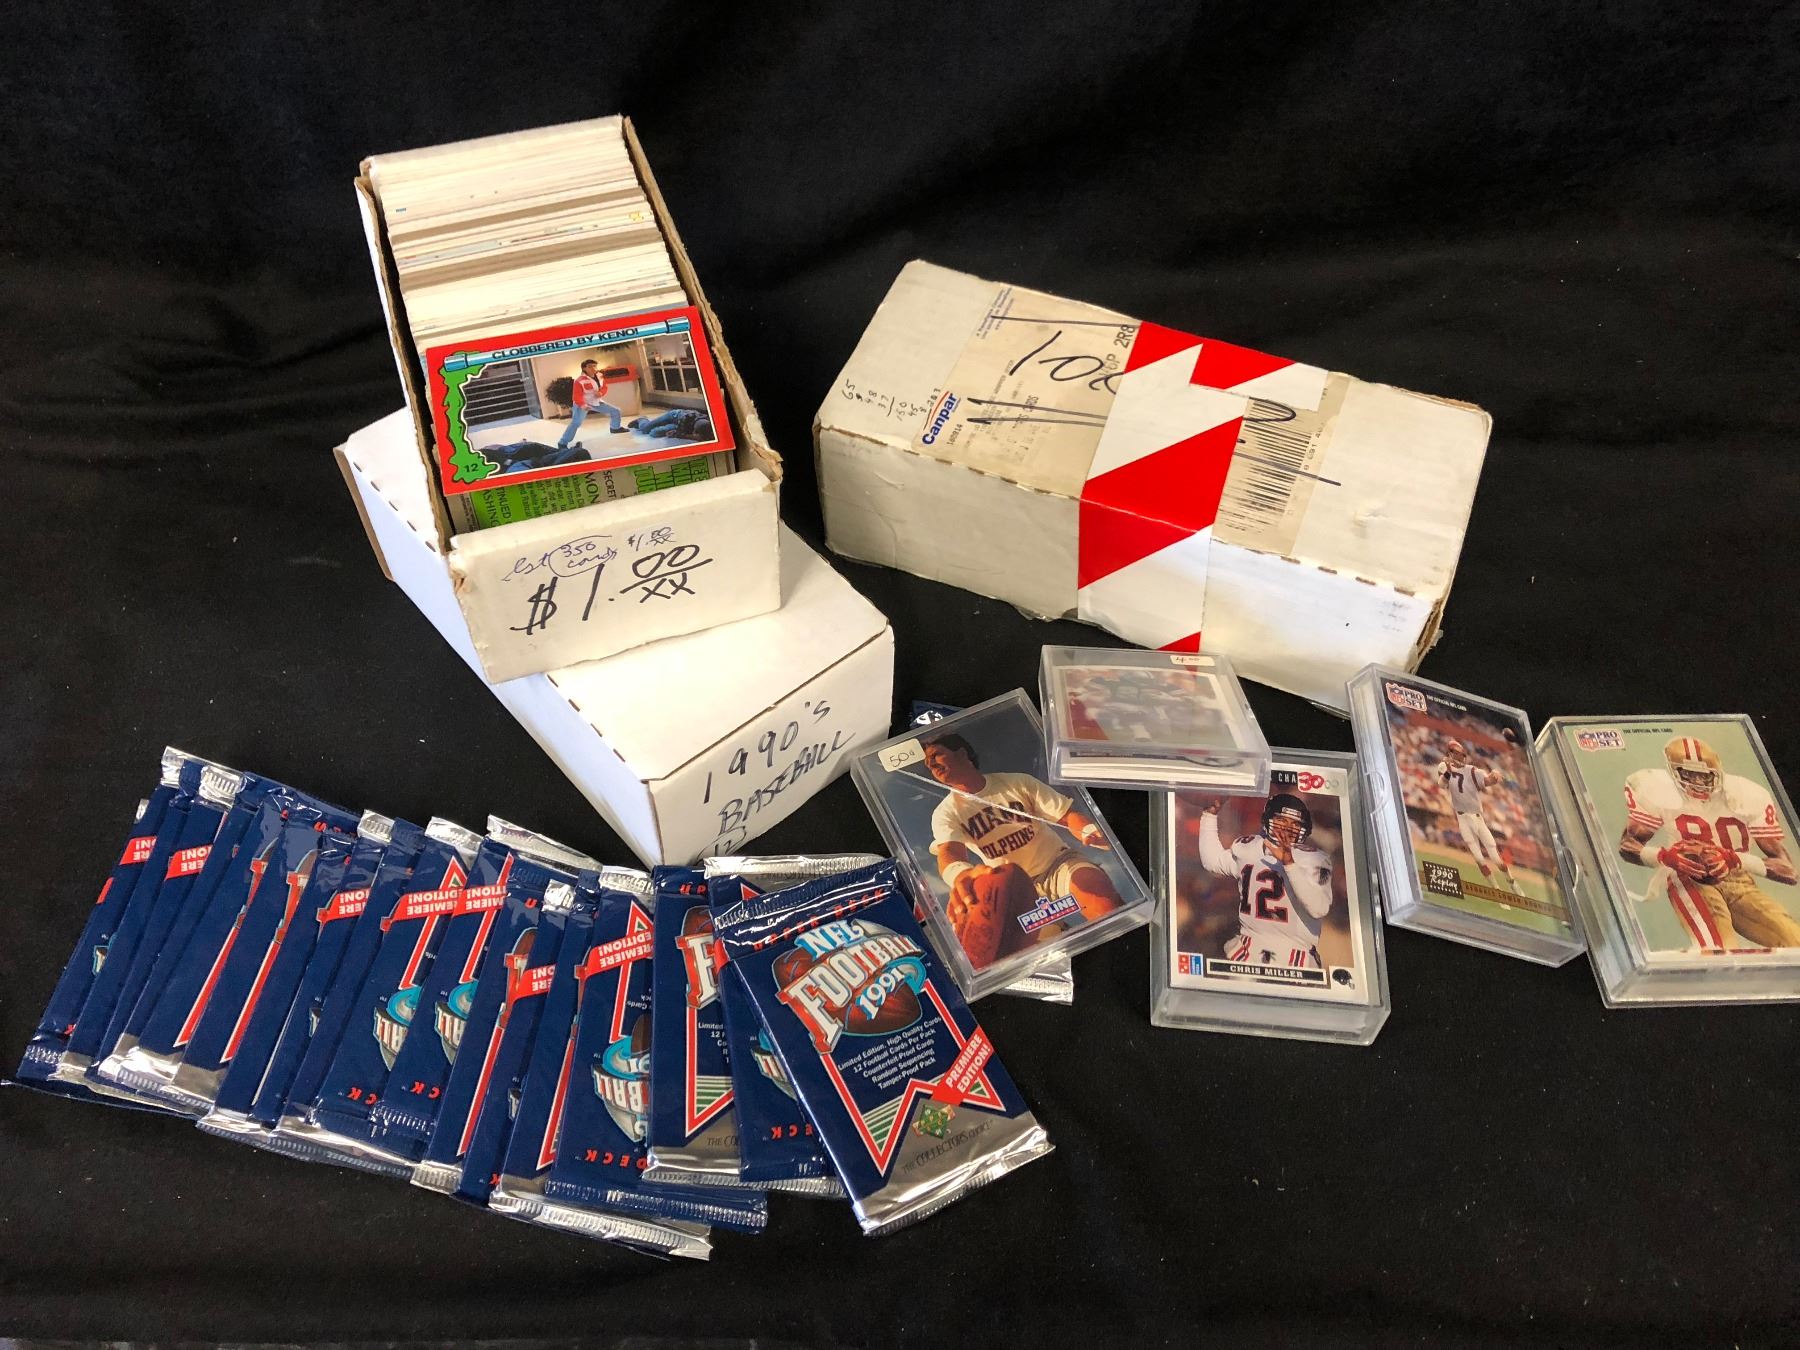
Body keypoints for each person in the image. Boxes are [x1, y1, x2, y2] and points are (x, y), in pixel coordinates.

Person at [923, 732, 1122, 951]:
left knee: (1100, 898)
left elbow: (1066, 816)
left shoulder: (1016, 782)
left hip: (1057, 863)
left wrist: (1088, 829)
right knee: (1037, 952)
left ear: (962, 754)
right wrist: (960, 875)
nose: (931, 764)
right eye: (927, 763)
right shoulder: (945, 812)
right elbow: (950, 851)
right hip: (1012, 888)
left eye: (936, 755)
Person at [1617, 736, 1800, 950]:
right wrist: (1664, 857)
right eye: (1688, 774)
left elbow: (1789, 871)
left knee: (1795, 943)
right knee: (1719, 950)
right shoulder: (1656, 789)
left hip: (1739, 880)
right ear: (1672, 772)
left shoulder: (1746, 794)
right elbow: (1628, 845)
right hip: (1690, 873)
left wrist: (1733, 859)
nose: (1698, 782)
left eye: (1705, 775)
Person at [1197, 794, 1334, 969]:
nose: (1287, 828)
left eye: (1295, 824)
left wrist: (1290, 864)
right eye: (1281, 820)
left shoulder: (1314, 859)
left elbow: (1318, 908)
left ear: (1304, 829)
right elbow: (1212, 862)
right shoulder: (1250, 848)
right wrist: (1209, 816)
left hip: (1295, 956)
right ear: (1268, 820)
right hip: (1248, 950)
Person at [1436, 738, 1522, 893]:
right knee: (1479, 859)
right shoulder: (1444, 766)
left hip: (1477, 818)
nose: (1459, 757)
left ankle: (1512, 883)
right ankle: (1496, 890)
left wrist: (1494, 776)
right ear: (1450, 753)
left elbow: (1487, 781)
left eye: (1461, 754)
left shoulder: (1472, 770)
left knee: (1496, 859)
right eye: (1455, 753)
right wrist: (1448, 771)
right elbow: (1441, 784)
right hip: (1462, 818)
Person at [556, 358, 629, 449]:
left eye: (594, 366)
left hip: (596, 402)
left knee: (615, 411)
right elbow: (576, 396)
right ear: (584, 368)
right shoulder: (579, 381)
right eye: (590, 367)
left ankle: (615, 428)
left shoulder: (600, 376)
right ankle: (562, 443)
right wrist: (583, 405)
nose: (593, 368)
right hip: (582, 403)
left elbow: (604, 387)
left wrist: (601, 393)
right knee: (576, 423)